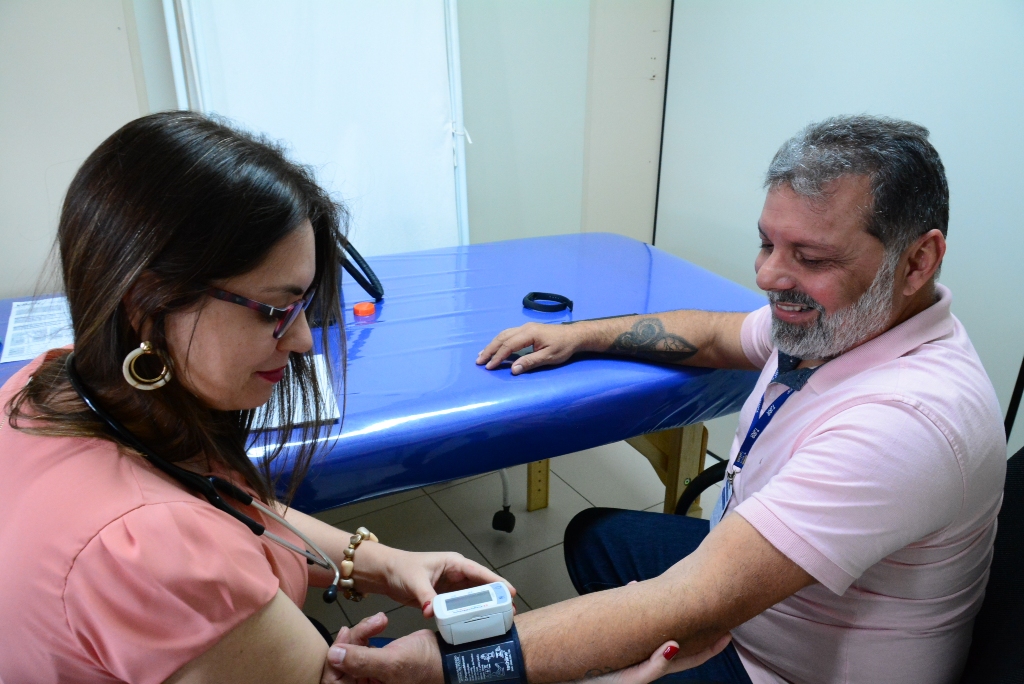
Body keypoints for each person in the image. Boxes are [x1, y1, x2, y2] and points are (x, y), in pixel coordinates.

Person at [327, 116, 1007, 684]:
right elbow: (713, 333)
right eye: (768, 243)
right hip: (764, 593)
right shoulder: (840, 322)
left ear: (917, 262)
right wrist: (575, 336)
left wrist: (443, 663)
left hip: (786, 667)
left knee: (557, 642)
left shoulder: (908, 422)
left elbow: (682, 603)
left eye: (811, 257)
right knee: (597, 539)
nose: (769, 276)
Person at [0, 112, 520, 684]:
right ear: (148, 300)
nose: (300, 341)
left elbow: (225, 502)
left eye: (302, 309)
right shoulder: (147, 548)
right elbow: (185, 537)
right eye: (276, 310)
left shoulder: (41, 387)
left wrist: (385, 565)